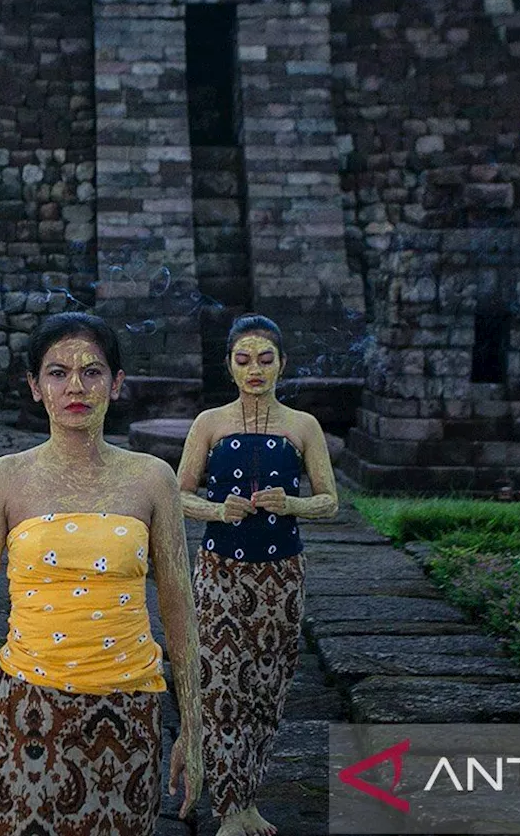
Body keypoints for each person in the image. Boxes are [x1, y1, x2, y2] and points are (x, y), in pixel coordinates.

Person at [0, 311, 202, 835]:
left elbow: (179, 606)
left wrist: (193, 731)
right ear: (35, 387)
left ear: (117, 383)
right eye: (57, 373)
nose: (75, 386)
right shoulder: (3, 480)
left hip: (131, 706)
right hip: (30, 710)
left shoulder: (151, 479)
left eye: (93, 371)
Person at [177, 314, 339, 836]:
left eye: (265, 360)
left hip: (281, 574)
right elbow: (177, 494)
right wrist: (217, 510)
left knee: (268, 689)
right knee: (221, 685)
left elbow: (330, 501)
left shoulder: (302, 426)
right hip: (219, 572)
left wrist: (292, 503)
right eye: (244, 360)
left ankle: (250, 796)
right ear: (229, 366)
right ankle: (227, 807)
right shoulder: (209, 423)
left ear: (281, 366)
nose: (255, 370)